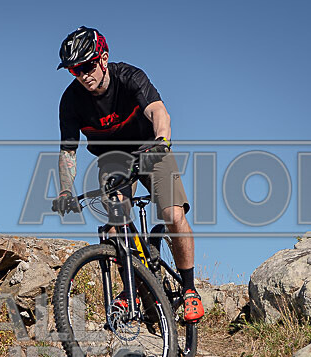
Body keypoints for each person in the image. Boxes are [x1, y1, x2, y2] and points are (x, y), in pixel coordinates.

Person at [52, 26, 204, 323]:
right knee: (115, 226)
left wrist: (162, 141)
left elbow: (159, 112)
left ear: (104, 58)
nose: (82, 75)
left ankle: (189, 291)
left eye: (87, 65)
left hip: (151, 150)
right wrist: (66, 191)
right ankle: (131, 288)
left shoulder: (130, 77)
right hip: (112, 161)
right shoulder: (71, 101)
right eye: (74, 70)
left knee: (173, 214)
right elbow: (68, 152)